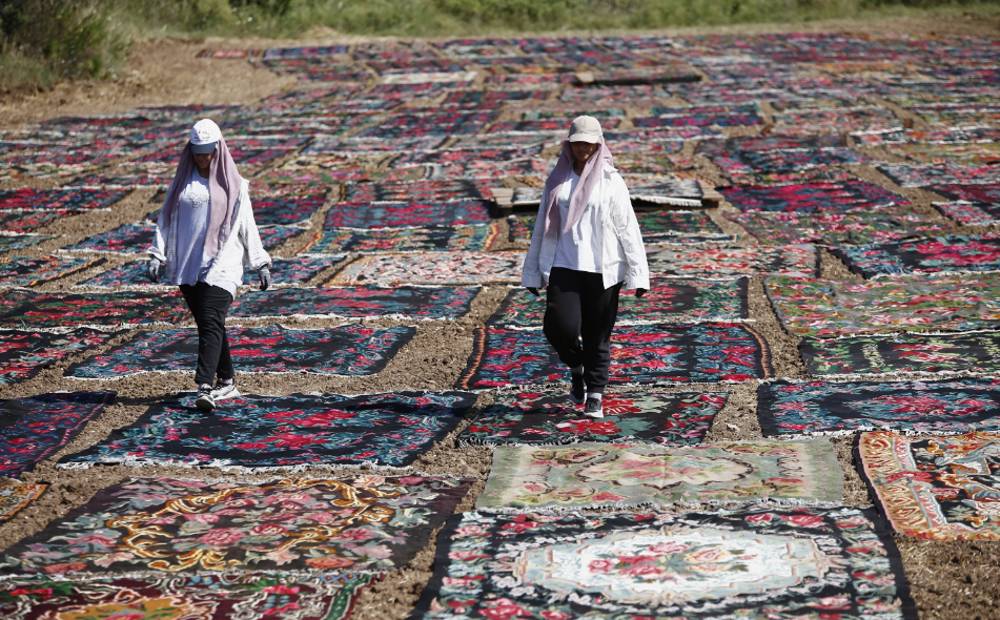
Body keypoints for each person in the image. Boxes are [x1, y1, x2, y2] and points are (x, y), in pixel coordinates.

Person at [522, 115, 649, 419]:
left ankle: (595, 394)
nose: (584, 149)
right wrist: (531, 272)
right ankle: (576, 366)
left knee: (598, 334)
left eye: (590, 144)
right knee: (560, 328)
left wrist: (639, 273)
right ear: (570, 144)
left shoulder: (611, 181)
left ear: (598, 145)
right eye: (578, 143)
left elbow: (627, 227)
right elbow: (542, 226)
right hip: (564, 265)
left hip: (603, 269)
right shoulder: (558, 180)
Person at [148, 118, 272, 411]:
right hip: (189, 267)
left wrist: (260, 262)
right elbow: (165, 220)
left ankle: (204, 385)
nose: (203, 158)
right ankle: (227, 382)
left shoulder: (235, 186)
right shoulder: (183, 185)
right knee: (211, 322)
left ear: (218, 150)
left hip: (223, 265)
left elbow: (247, 225)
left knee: (209, 321)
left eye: (207, 152)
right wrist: (157, 253)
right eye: (197, 151)